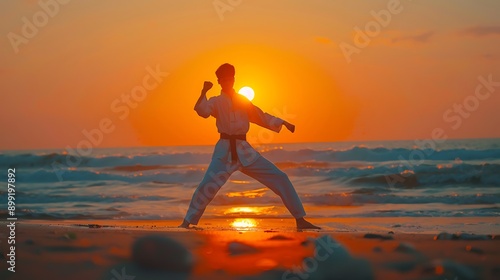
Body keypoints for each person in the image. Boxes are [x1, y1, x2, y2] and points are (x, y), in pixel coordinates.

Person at [179, 63, 320, 230]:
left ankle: (300, 219)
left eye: (230, 78)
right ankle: (186, 222)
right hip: (224, 152)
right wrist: (203, 91)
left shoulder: (243, 101)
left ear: (233, 79)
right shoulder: (215, 102)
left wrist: (282, 122)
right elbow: (202, 111)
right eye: (223, 79)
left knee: (280, 177)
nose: (227, 81)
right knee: (206, 186)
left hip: (245, 152)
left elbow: (260, 116)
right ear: (219, 81)